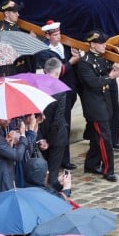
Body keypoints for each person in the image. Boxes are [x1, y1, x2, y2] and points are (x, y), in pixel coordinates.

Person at [77, 30, 119, 182]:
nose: (104, 46)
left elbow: (105, 72)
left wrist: (114, 69)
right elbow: (94, 83)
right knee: (105, 139)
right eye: (101, 43)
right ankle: (108, 170)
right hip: (95, 106)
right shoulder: (85, 62)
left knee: (97, 138)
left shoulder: (101, 57)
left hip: (104, 103)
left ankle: (91, 163)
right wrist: (111, 76)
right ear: (93, 44)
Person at [35, 20, 80, 170]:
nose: (58, 37)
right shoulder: (44, 51)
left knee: (65, 123)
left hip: (68, 88)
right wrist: (71, 62)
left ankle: (64, 157)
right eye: (55, 34)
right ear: (48, 36)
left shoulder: (64, 47)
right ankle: (57, 158)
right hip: (55, 91)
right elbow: (53, 71)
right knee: (57, 122)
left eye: (59, 33)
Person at [38, 58, 69, 189]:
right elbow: (57, 120)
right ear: (58, 72)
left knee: (43, 172)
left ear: (45, 71)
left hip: (41, 136)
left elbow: (34, 116)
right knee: (53, 172)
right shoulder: (61, 91)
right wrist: (49, 141)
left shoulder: (37, 88)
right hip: (56, 137)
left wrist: (40, 139)